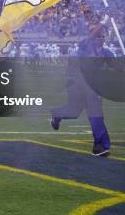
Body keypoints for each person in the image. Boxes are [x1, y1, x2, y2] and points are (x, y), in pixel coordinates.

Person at [50, 9, 120, 156]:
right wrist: (106, 20)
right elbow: (94, 34)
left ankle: (99, 145)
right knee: (83, 112)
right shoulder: (85, 44)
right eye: (97, 35)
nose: (99, 38)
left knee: (82, 113)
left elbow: (118, 67)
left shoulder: (106, 53)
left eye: (102, 36)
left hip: (91, 87)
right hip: (77, 84)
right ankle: (100, 144)